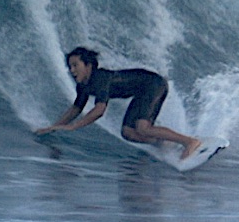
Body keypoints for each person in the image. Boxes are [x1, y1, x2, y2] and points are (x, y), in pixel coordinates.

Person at [34, 46, 203, 158]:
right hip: (141, 91)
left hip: (153, 84)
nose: (72, 70)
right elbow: (75, 110)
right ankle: (164, 143)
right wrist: (53, 127)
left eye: (75, 65)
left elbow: (100, 110)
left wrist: (73, 127)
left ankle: (190, 142)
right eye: (69, 67)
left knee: (143, 127)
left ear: (88, 66)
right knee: (128, 132)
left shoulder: (99, 78)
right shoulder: (84, 86)